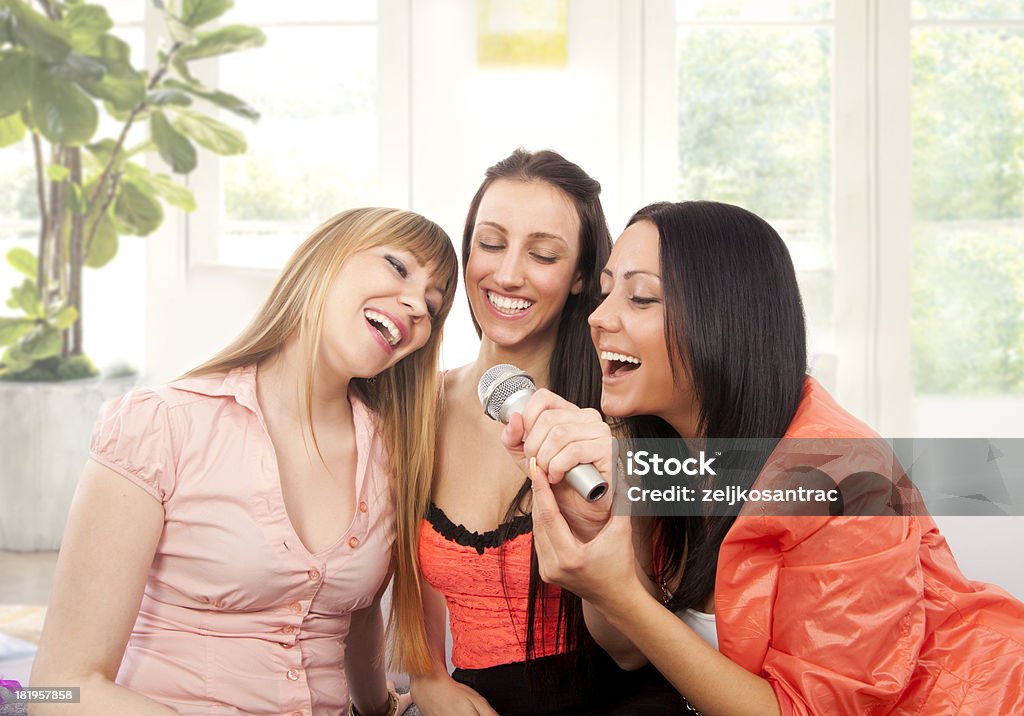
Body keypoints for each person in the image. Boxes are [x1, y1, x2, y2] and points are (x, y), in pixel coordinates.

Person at [503, 200, 1024, 715]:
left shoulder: (846, 477)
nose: (598, 316)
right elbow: (628, 648)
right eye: (606, 290)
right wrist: (598, 535)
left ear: (724, 318)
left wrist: (622, 596)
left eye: (640, 297)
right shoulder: (657, 453)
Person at [30, 208, 459, 716]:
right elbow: (58, 687)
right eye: (397, 266)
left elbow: (354, 617)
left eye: (432, 306)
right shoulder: (160, 425)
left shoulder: (393, 456)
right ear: (322, 258)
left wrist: (385, 706)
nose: (415, 305)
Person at [396, 150, 684, 715]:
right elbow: (406, 573)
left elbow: (630, 651)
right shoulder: (417, 408)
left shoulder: (616, 424)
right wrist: (428, 677)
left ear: (581, 276)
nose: (507, 274)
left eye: (543, 254)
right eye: (492, 243)